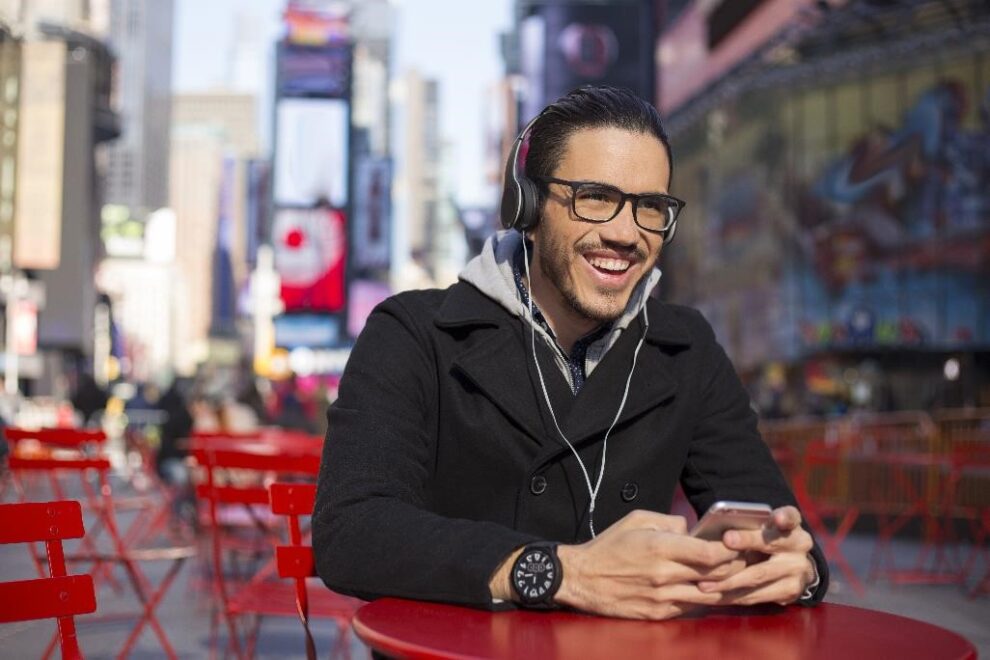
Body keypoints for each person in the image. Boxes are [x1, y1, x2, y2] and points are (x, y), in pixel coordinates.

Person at [313, 85, 827, 619]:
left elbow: (776, 521)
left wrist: (795, 566)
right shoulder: (415, 332)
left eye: (650, 207)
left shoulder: (685, 347)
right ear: (527, 209)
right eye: (596, 198)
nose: (627, 233)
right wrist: (560, 572)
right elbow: (350, 529)